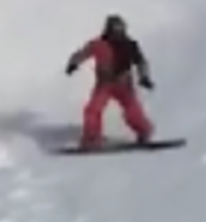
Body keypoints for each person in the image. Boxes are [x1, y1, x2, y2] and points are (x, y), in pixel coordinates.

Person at [64, 14, 156, 149]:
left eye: (120, 29)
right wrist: (73, 64)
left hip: (123, 84)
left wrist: (144, 77)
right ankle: (92, 137)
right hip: (104, 85)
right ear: (108, 30)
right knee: (92, 110)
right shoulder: (98, 44)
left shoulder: (130, 45)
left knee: (132, 111)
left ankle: (144, 131)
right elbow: (83, 53)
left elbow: (141, 62)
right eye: (114, 30)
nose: (117, 33)